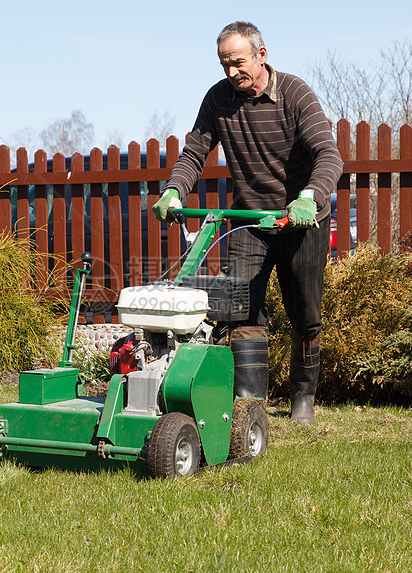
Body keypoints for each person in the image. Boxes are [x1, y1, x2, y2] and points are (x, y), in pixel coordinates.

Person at [151, 21, 343, 424]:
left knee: (304, 313)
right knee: (241, 309)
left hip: (301, 222)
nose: (231, 71)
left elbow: (329, 155)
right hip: (250, 221)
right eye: (224, 64)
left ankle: (302, 398)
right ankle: (249, 406)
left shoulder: (295, 94)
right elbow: (194, 154)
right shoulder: (219, 100)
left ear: (261, 55)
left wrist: (309, 196)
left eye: (237, 62)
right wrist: (174, 191)